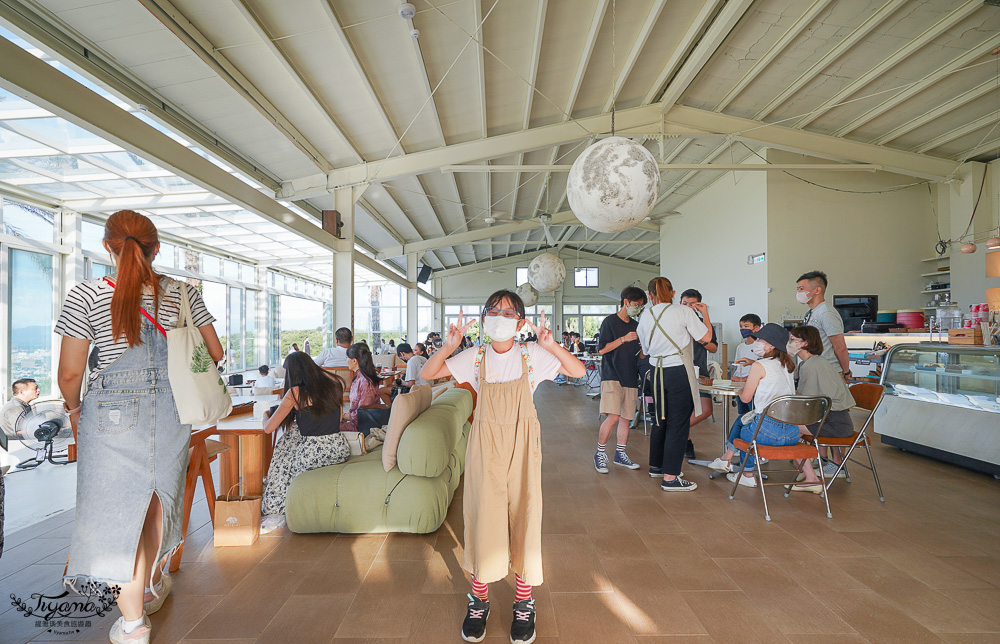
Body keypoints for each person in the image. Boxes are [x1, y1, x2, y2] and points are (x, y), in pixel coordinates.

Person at [54, 210, 223, 644]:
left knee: (115, 516)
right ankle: (147, 588)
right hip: (172, 410)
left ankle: (132, 625)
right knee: (153, 502)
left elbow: (71, 374)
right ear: (157, 248)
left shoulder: (86, 295)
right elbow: (214, 352)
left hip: (110, 413)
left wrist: (74, 411)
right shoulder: (183, 292)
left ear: (108, 247)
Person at [421, 291, 584, 644]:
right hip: (485, 446)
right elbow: (427, 372)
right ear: (483, 319)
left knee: (525, 513)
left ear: (520, 322)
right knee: (484, 515)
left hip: (523, 445)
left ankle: (523, 602)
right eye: (493, 311)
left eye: (508, 312)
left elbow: (578, 370)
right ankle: (479, 599)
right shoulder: (475, 357)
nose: (499, 317)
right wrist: (449, 346)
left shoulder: (532, 355)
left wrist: (552, 344)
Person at [637, 277, 713, 492]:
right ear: (672, 293)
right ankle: (671, 478)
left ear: (650, 295)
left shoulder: (646, 315)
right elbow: (706, 338)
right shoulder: (683, 311)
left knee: (660, 419)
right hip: (678, 370)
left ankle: (658, 466)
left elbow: (644, 350)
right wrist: (705, 314)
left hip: (656, 372)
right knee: (678, 423)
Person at [260, 352, 350, 534]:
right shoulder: (334, 385)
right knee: (291, 440)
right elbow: (339, 418)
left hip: (313, 454)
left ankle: (275, 504)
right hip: (339, 448)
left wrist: (264, 415)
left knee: (283, 456)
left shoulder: (295, 392)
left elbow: (269, 429)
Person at [705, 324, 797, 488]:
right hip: (792, 433)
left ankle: (746, 473)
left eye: (761, 339)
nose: (757, 342)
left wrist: (741, 391)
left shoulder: (759, 366)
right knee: (745, 419)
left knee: (746, 426)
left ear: (771, 345)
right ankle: (726, 459)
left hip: (766, 433)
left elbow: (746, 398)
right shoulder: (787, 365)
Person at [788, 325, 857, 490]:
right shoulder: (813, 362)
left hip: (835, 425)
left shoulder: (811, 366)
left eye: (792, 340)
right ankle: (807, 471)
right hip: (838, 421)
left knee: (786, 429)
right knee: (788, 428)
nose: (789, 343)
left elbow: (805, 400)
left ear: (805, 343)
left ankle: (809, 476)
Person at [593, 286, 647, 474]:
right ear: (626, 302)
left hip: (631, 376)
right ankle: (600, 453)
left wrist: (645, 349)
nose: (638, 308)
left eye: (640, 306)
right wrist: (623, 339)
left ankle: (620, 454)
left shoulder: (636, 325)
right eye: (636, 304)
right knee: (613, 416)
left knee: (626, 418)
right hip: (612, 375)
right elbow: (602, 349)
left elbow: (639, 354)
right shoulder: (610, 322)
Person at [679, 289, 718, 460]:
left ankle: (678, 432)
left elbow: (713, 347)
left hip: (700, 373)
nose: (688, 307)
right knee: (682, 409)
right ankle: (685, 441)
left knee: (706, 409)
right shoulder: (675, 323)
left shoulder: (703, 324)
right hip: (679, 371)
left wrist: (705, 315)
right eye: (685, 303)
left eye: (692, 304)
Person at [796, 271, 850, 378]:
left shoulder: (826, 313)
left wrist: (846, 372)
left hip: (829, 372)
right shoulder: (812, 312)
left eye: (801, 289)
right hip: (814, 369)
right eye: (797, 289)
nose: (798, 292)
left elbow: (840, 347)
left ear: (817, 290)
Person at [340, 343, 385, 434]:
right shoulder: (360, 378)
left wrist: (343, 416)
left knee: (325, 428)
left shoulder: (366, 382)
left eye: (347, 358)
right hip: (357, 422)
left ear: (354, 361)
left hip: (362, 427)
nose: (346, 360)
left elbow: (362, 413)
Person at [732, 314, 762, 416]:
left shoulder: (760, 346)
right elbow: (738, 365)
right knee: (742, 413)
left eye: (746, 326)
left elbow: (761, 367)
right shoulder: (740, 347)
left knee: (752, 412)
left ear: (756, 328)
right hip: (740, 384)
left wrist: (746, 378)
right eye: (741, 326)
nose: (742, 329)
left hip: (752, 384)